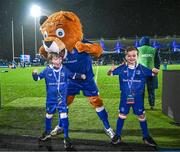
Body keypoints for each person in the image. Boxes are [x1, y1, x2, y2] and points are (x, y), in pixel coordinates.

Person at [32, 52, 86, 150]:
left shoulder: (64, 70)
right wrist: (34, 74)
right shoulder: (47, 70)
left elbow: (72, 75)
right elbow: (37, 78)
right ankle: (47, 133)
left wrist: (81, 76)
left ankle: (66, 137)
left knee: (64, 116)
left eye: (60, 59)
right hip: (51, 100)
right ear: (51, 60)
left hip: (61, 99)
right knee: (49, 115)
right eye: (56, 59)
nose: (59, 61)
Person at [107, 46, 159, 146]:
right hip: (125, 97)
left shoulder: (142, 69)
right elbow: (109, 74)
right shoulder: (122, 68)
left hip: (138, 98)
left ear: (137, 56)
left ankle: (146, 137)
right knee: (122, 115)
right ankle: (117, 135)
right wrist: (110, 70)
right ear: (126, 57)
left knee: (141, 116)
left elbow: (153, 74)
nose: (131, 58)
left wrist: (155, 71)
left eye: (134, 55)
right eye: (129, 56)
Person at [137, 36, 161, 110]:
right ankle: (152, 105)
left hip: (140, 73)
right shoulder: (154, 50)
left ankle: (140, 106)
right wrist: (156, 69)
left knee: (140, 90)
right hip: (151, 73)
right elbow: (158, 61)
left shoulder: (137, 49)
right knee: (151, 90)